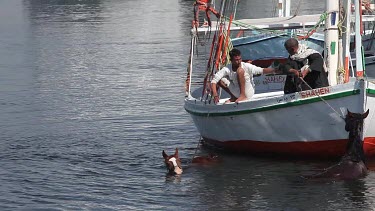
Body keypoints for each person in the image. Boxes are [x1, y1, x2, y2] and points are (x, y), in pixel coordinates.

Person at [211, 48, 278, 104]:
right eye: (236, 60)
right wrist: (215, 94)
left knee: (240, 70)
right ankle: (233, 97)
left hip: (247, 92)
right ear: (231, 60)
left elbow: (261, 70)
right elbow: (214, 81)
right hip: (236, 91)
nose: (239, 61)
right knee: (219, 78)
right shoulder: (227, 69)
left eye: (240, 59)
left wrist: (275, 70)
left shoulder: (246, 66)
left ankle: (243, 96)